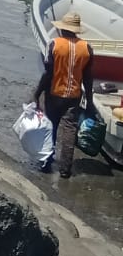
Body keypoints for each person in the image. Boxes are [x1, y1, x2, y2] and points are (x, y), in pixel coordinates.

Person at [33, 11, 96, 179]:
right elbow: (88, 78)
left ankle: (46, 163)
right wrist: (89, 102)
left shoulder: (54, 44)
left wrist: (36, 94)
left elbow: (48, 74)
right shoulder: (87, 48)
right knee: (69, 131)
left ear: (62, 29)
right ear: (76, 31)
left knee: (50, 127)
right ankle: (65, 169)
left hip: (54, 94)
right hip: (74, 97)